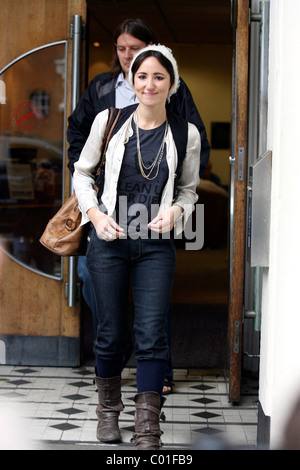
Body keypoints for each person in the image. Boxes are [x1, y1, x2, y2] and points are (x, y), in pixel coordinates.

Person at [67, 18, 210, 394]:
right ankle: (108, 410)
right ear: (131, 79)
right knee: (109, 331)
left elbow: (190, 187)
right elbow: (79, 162)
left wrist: (177, 212)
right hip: (108, 237)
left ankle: (149, 424)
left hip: (154, 244)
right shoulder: (105, 111)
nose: (149, 83)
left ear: (172, 83)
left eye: (159, 77)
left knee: (152, 329)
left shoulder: (185, 132)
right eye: (140, 75)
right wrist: (94, 212)